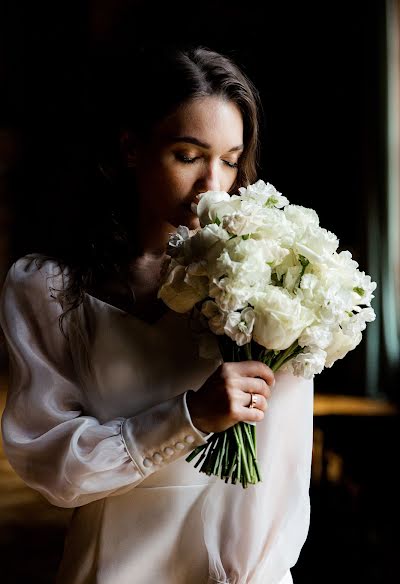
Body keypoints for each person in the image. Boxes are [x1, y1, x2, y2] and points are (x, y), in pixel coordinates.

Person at [0, 44, 314, 584]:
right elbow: (54, 468)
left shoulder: (269, 281)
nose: (212, 186)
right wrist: (189, 417)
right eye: (189, 156)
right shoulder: (49, 289)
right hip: (108, 566)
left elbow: (279, 478)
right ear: (131, 148)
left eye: (230, 161)